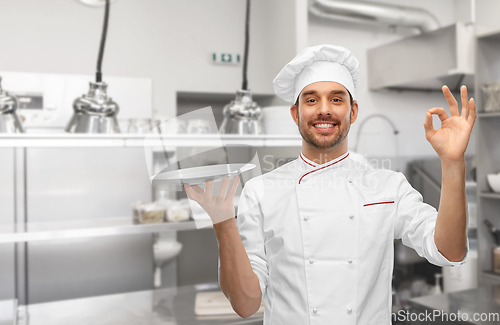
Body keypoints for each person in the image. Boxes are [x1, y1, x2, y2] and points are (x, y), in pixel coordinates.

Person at [184, 44, 475, 324]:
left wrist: (452, 164)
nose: (324, 110)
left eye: (336, 99)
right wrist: (223, 223)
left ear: (353, 111)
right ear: (296, 113)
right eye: (311, 100)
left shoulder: (388, 185)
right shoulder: (261, 191)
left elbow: (450, 252)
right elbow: (246, 304)